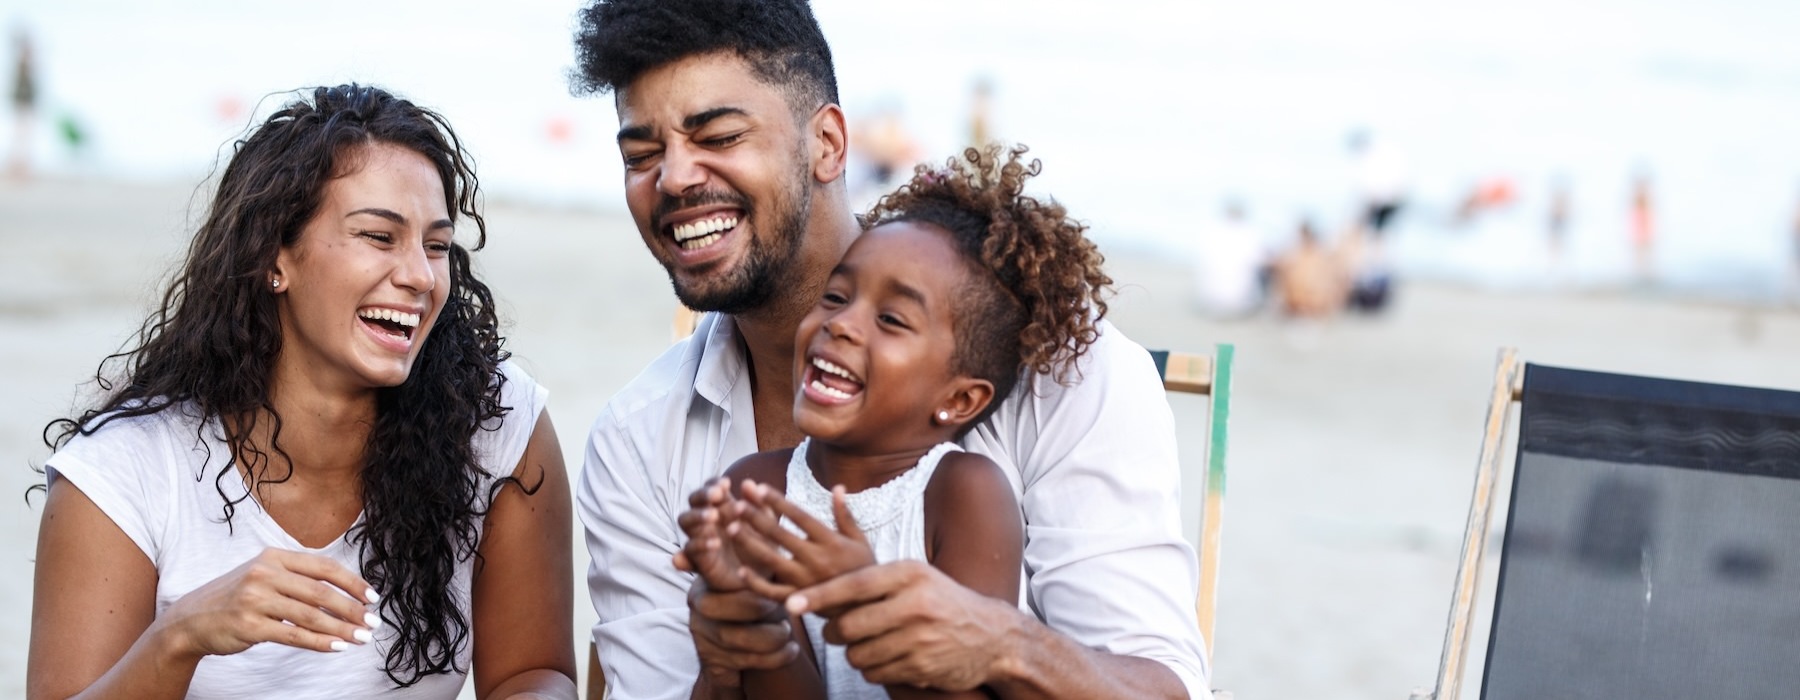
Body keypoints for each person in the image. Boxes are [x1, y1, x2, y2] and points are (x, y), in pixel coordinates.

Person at [569, 2, 1209, 699]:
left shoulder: (1054, 362)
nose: (672, 178)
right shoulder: (638, 440)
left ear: (828, 144)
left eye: (718, 135)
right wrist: (734, 653)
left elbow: (1161, 686)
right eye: (640, 155)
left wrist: (996, 640)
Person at [27, 84, 577, 699]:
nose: (420, 276)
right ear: (275, 258)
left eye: (438, 246)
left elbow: (536, 674)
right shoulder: (128, 468)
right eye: (378, 236)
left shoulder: (495, 424)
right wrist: (181, 636)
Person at [676, 145, 1107, 699]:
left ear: (960, 399)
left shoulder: (963, 494)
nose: (842, 324)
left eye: (891, 319)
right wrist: (754, 623)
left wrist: (861, 602)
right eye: (836, 296)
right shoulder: (754, 488)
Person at [8, 26, 37, 180]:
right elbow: (21, 90)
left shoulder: (26, 66)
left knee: (23, 139)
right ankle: (17, 170)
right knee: (20, 139)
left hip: (25, 106)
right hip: (22, 106)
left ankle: (21, 170)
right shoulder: (22, 66)